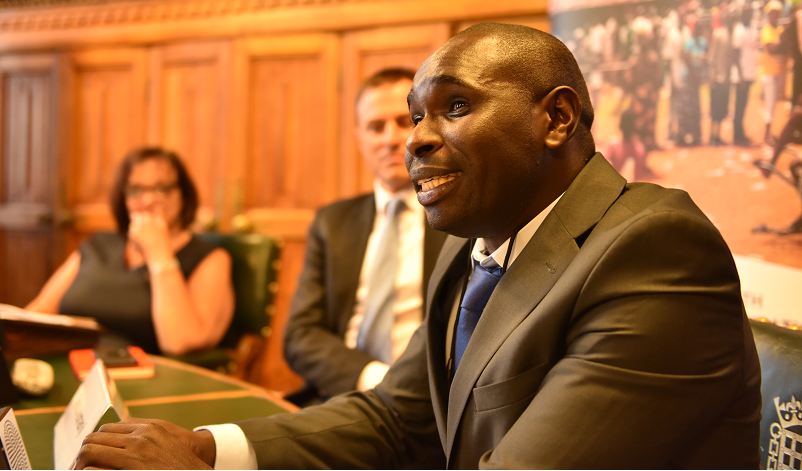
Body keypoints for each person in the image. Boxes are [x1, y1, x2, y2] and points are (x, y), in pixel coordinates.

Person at [74, 24, 760, 469]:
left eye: (454, 108)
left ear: (554, 119)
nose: (414, 140)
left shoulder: (652, 247)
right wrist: (206, 449)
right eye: (413, 117)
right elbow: (394, 416)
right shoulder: (474, 249)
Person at [284, 68, 447, 405]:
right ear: (359, 138)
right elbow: (301, 337)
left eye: (404, 121)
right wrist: (375, 378)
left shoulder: (460, 219)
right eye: (375, 127)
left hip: (428, 403)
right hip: (342, 394)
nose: (389, 139)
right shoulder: (333, 221)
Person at [26, 147, 235, 356]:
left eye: (162, 188)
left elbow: (179, 343)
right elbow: (39, 313)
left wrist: (158, 251)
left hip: (142, 375)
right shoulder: (96, 246)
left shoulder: (210, 258)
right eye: (136, 189)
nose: (148, 200)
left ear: (183, 194)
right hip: (68, 361)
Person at [761, 0, 787, 145]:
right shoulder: (767, 30)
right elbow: (772, 48)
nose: (774, 16)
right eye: (772, 13)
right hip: (769, 72)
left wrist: (781, 44)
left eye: (777, 13)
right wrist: (781, 44)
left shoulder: (779, 30)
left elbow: (784, 47)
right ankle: (766, 135)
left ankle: (769, 133)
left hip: (778, 72)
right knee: (769, 105)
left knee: (774, 104)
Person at [732, 4, 758, 146]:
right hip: (740, 76)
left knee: (744, 104)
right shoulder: (738, 30)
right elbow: (735, 55)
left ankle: (740, 131)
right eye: (746, 12)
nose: (748, 14)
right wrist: (741, 76)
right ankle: (736, 134)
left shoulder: (752, 29)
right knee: (739, 105)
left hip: (749, 74)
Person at [707, 9, 733, 146]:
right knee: (715, 108)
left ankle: (718, 135)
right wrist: (711, 75)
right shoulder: (718, 33)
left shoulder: (731, 34)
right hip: (717, 77)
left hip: (726, 79)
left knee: (723, 107)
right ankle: (712, 135)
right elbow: (711, 57)